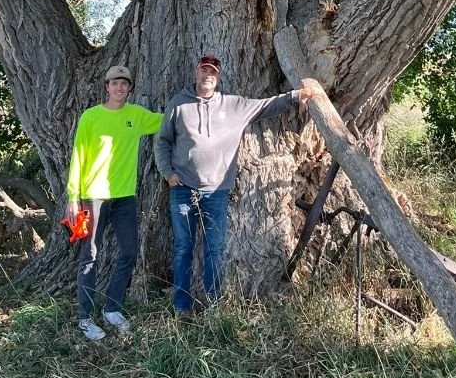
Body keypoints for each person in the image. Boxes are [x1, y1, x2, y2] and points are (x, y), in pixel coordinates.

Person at [154, 54, 317, 317]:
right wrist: (168, 173)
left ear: (218, 78)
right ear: (196, 73)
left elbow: (267, 106)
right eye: (203, 71)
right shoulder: (178, 104)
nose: (207, 76)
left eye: (212, 73)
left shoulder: (234, 106)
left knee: (214, 249)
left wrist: (296, 96)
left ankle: (213, 307)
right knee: (184, 247)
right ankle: (181, 306)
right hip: (183, 188)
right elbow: (162, 141)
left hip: (216, 191)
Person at [65, 64, 163, 341]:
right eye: (114, 83)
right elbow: (78, 157)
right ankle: (84, 318)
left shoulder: (137, 116)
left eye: (124, 84)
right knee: (90, 255)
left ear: (129, 88)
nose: (119, 88)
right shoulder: (91, 117)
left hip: (124, 197)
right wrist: (73, 197)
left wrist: (197, 105)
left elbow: (168, 120)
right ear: (106, 87)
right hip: (93, 195)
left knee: (129, 251)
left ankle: (112, 308)